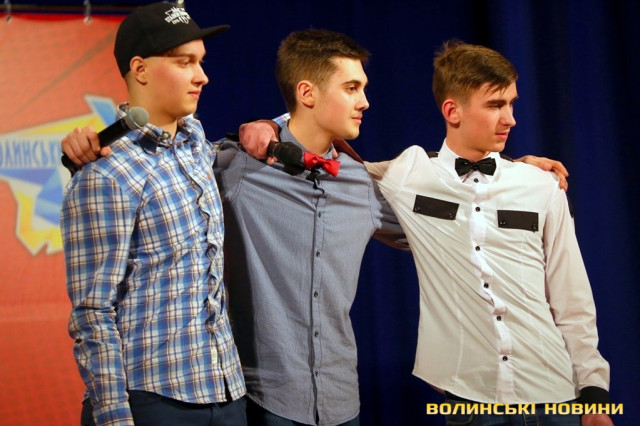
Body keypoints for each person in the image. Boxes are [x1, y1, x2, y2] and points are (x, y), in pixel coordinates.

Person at [61, 29, 569, 426]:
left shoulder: (363, 183)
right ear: (306, 92)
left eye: (363, 88)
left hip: (342, 402)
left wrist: (510, 171)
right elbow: (169, 160)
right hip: (258, 400)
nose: (365, 101)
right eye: (352, 88)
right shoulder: (237, 166)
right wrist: (87, 144)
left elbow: (456, 213)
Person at [364, 40, 612, 426]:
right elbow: (328, 163)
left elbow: (571, 295)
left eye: (511, 104)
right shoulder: (407, 175)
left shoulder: (541, 184)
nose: (510, 119)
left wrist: (594, 395)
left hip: (554, 394)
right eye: (496, 105)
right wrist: (272, 127)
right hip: (469, 401)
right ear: (453, 111)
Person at [60, 3, 246, 426]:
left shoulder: (198, 147)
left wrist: (269, 126)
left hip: (227, 392)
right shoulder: (106, 171)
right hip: (154, 401)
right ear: (140, 69)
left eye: (201, 61)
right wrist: (114, 417)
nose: (202, 76)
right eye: (185, 62)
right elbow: (93, 313)